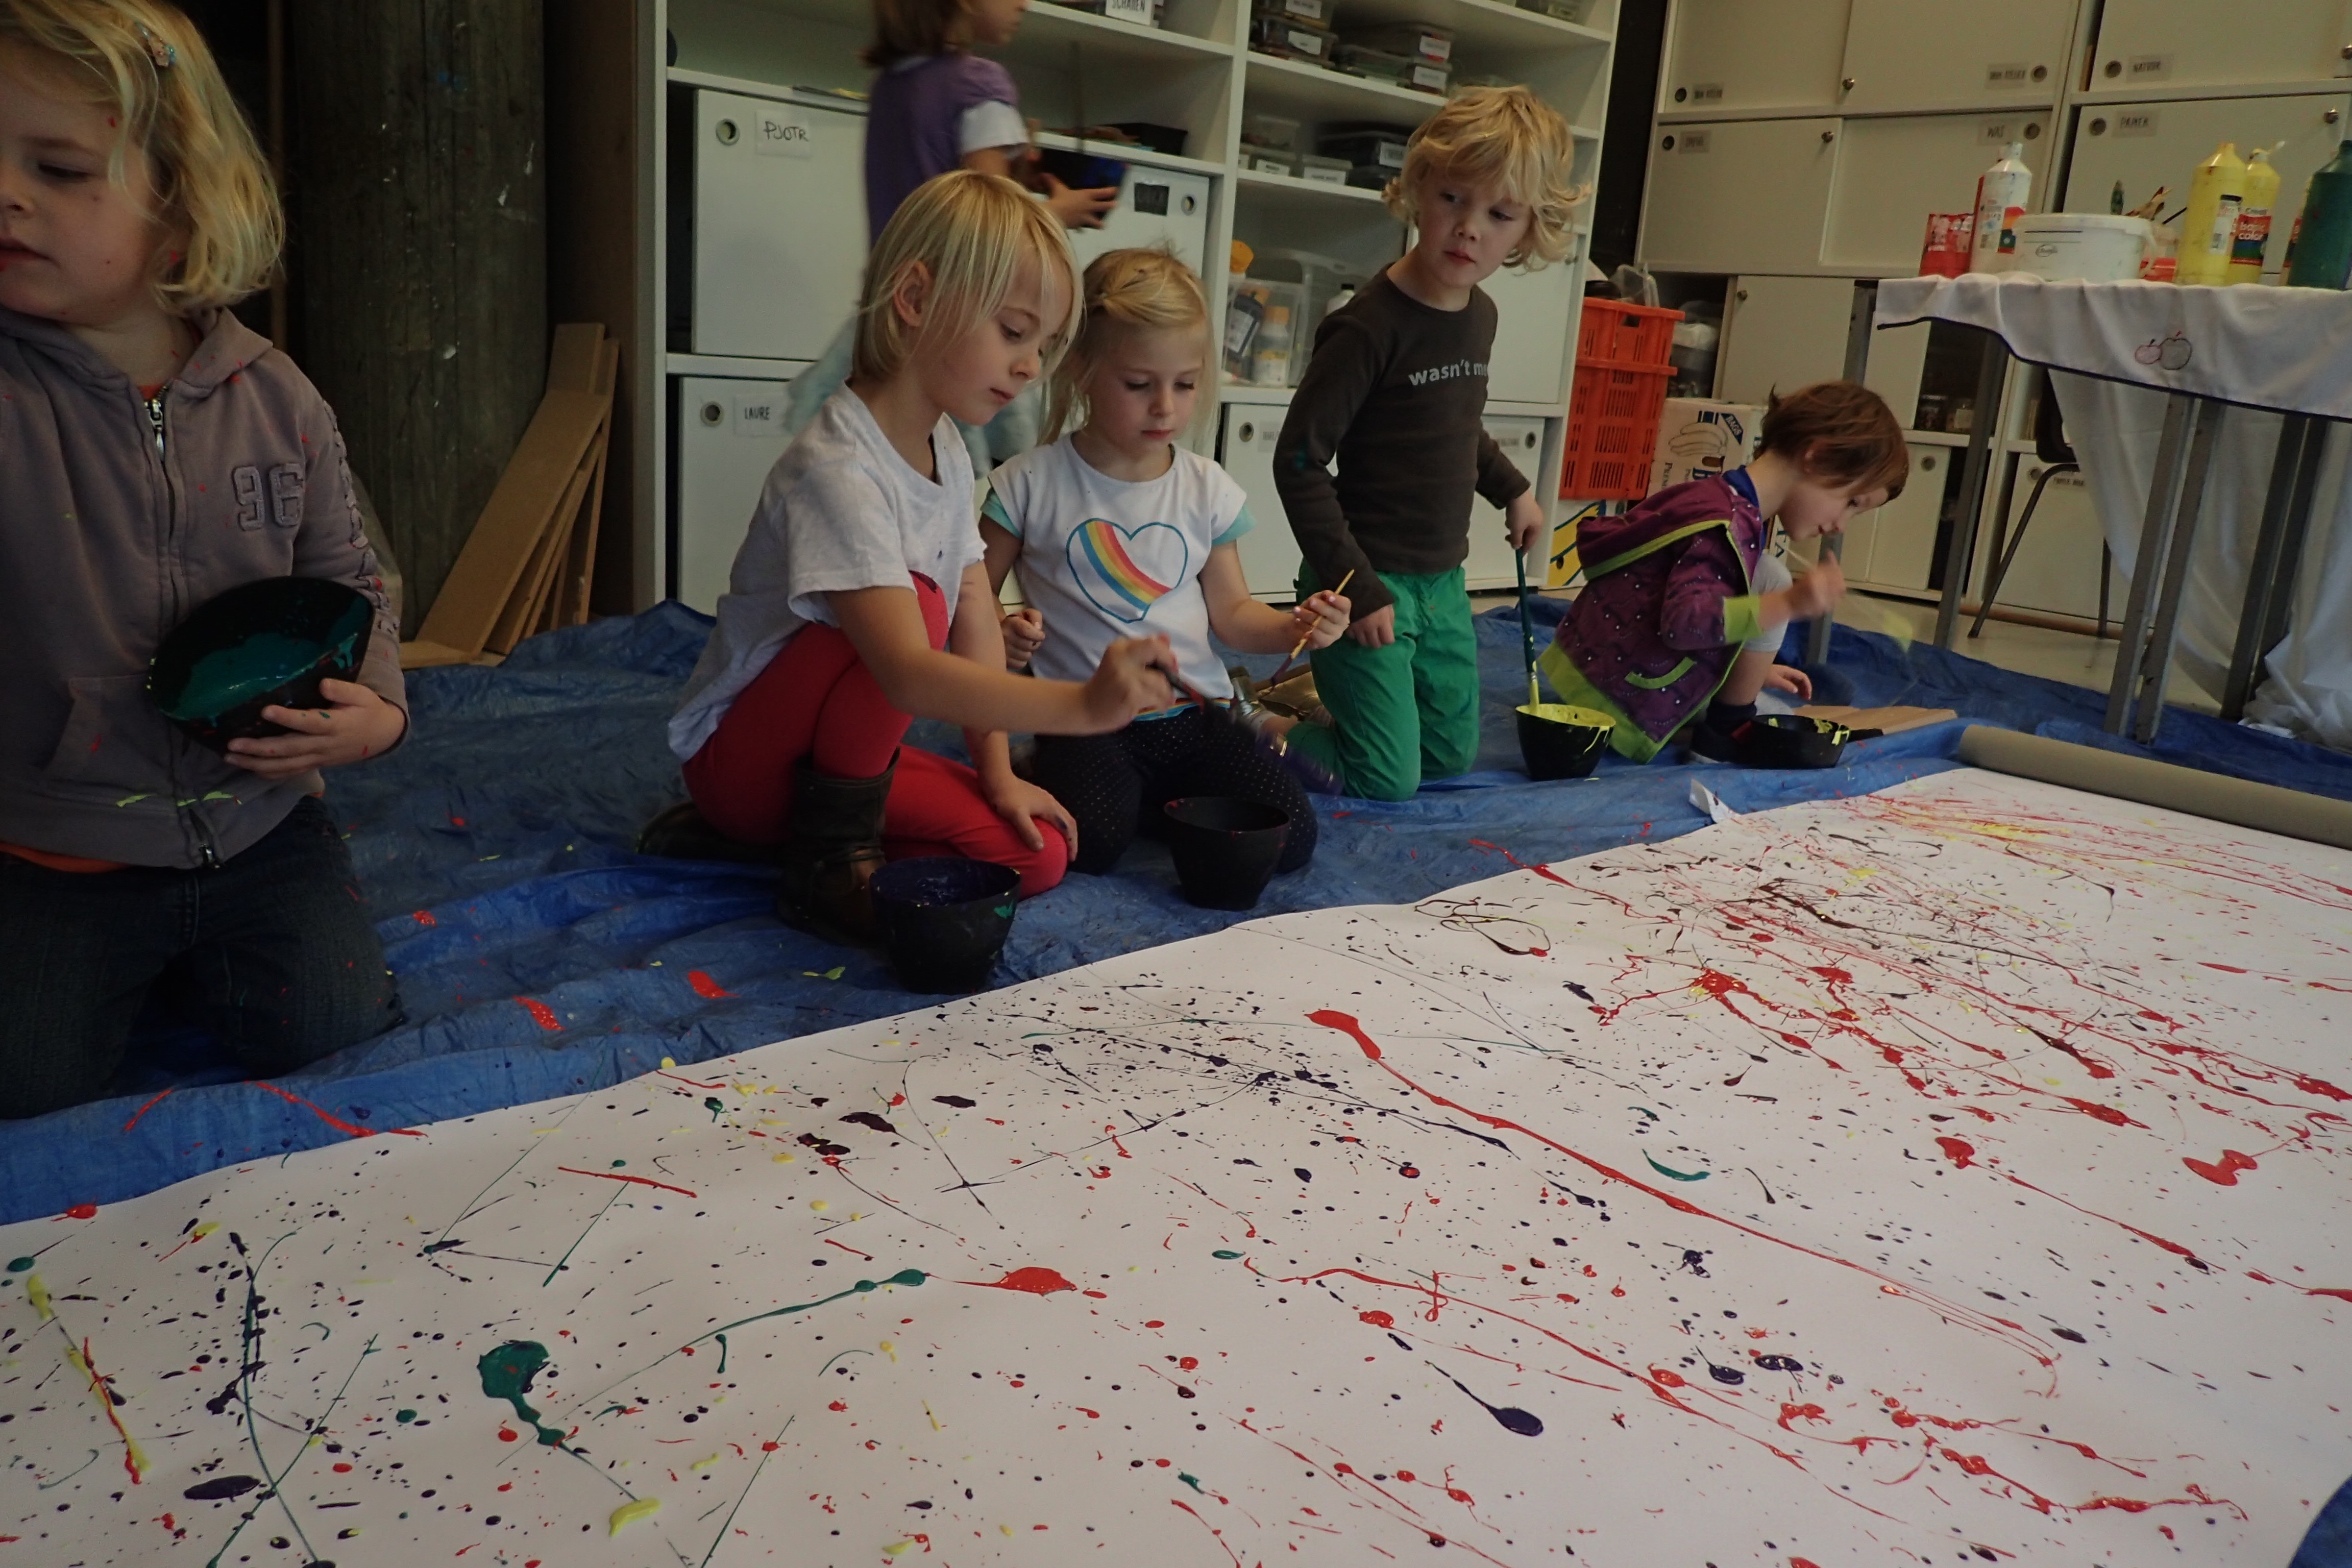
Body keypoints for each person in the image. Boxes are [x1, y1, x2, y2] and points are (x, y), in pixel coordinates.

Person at [0, 0, 405, 1118]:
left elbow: (353, 577)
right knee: (27, 1085)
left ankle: (195, 960)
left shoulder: (277, 397)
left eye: (58, 168)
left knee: (333, 1027)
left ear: (182, 208)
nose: (7, 192)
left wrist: (378, 711)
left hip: (258, 822)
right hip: (55, 844)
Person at [664, 170, 1179, 940]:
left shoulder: (947, 446)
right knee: (920, 605)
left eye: (1043, 345)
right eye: (1013, 332)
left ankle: (808, 844)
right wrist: (1081, 708)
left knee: (1035, 856)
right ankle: (826, 863)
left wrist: (999, 777)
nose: (1031, 366)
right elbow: (908, 670)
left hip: (830, 770)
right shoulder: (839, 469)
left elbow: (975, 604)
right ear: (913, 299)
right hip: (743, 767)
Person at [980, 248, 1350, 876]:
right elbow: (970, 595)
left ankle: (1151, 799)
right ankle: (1075, 775)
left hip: (1196, 716)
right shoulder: (1027, 484)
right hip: (1084, 714)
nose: (1166, 407)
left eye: (1185, 384)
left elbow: (1233, 614)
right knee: (1093, 843)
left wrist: (1298, 626)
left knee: (1288, 839)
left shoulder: (1206, 488)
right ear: (1080, 368)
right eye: (1139, 385)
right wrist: (1001, 630)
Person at [1273, 86, 1576, 801]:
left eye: (1499, 214)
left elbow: (1454, 424)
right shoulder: (1366, 328)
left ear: (1528, 230)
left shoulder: (1480, 315)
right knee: (1387, 777)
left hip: (1442, 584)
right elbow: (1300, 462)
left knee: (1446, 758)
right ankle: (1253, 726)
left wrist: (1513, 488)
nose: (1469, 229)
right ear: (1416, 188)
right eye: (1452, 199)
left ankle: (1331, 700)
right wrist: (1358, 587)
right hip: (1360, 581)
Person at [782, 0, 1118, 483]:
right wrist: (1058, 213)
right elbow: (995, 234)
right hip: (960, 321)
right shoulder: (978, 86)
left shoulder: (891, 86)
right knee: (969, 484)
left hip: (890, 319)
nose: (1024, 3)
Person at [1539, 380, 1906, 762]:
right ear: (1817, 457)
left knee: (1765, 579)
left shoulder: (1721, 499)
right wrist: (1789, 604)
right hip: (1618, 699)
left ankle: (1729, 710)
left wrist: (1748, 669)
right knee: (1774, 590)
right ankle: (1723, 735)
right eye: (1851, 502)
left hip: (1591, 671)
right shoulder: (1725, 527)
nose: (1841, 525)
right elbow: (1685, 626)